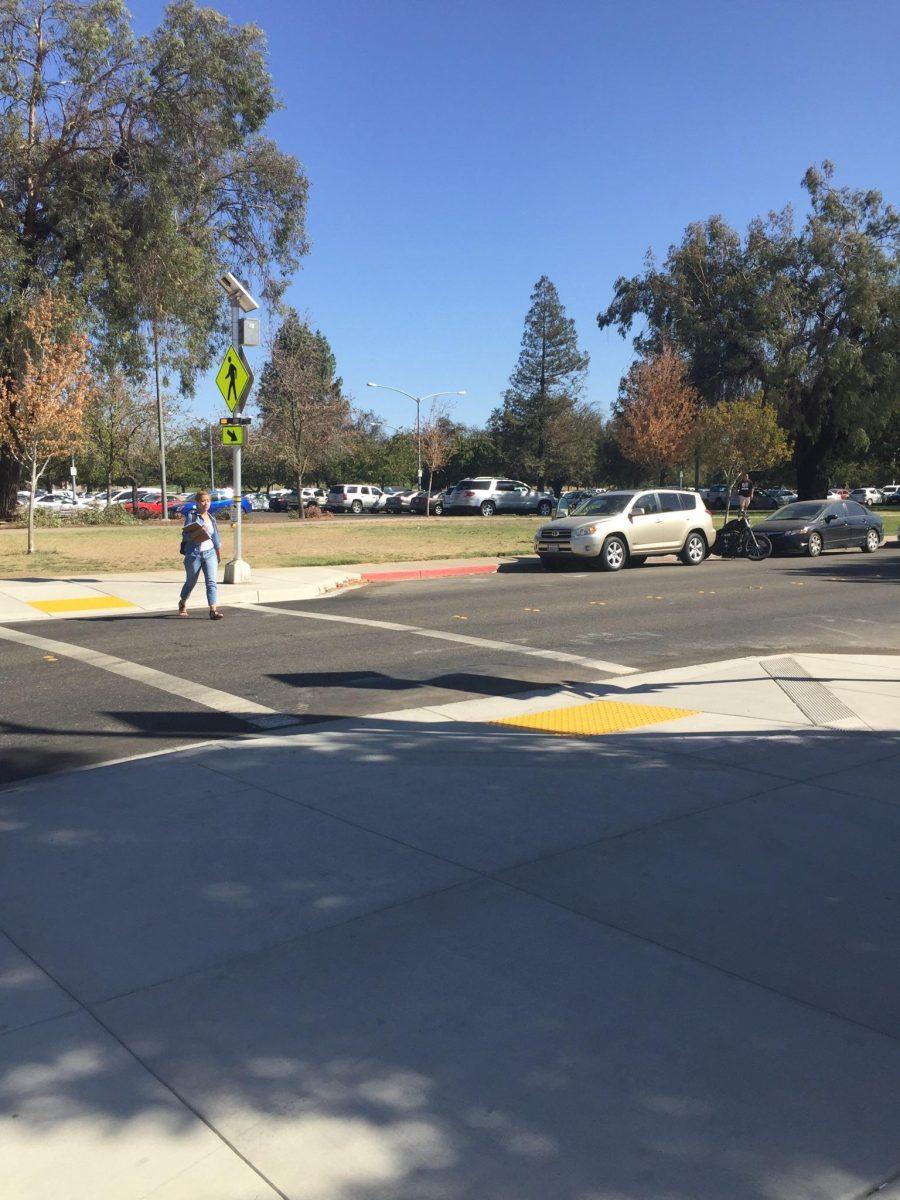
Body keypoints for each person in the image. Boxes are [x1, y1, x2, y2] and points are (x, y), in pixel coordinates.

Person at [177, 490, 223, 619]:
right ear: (197, 502)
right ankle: (182, 602)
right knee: (191, 581)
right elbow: (185, 535)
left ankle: (213, 610)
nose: (206, 503)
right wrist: (199, 531)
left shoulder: (212, 518)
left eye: (208, 501)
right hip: (194, 554)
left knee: (211, 582)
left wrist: (218, 554)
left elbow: (216, 539)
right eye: (203, 501)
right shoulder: (192, 516)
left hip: (210, 554)